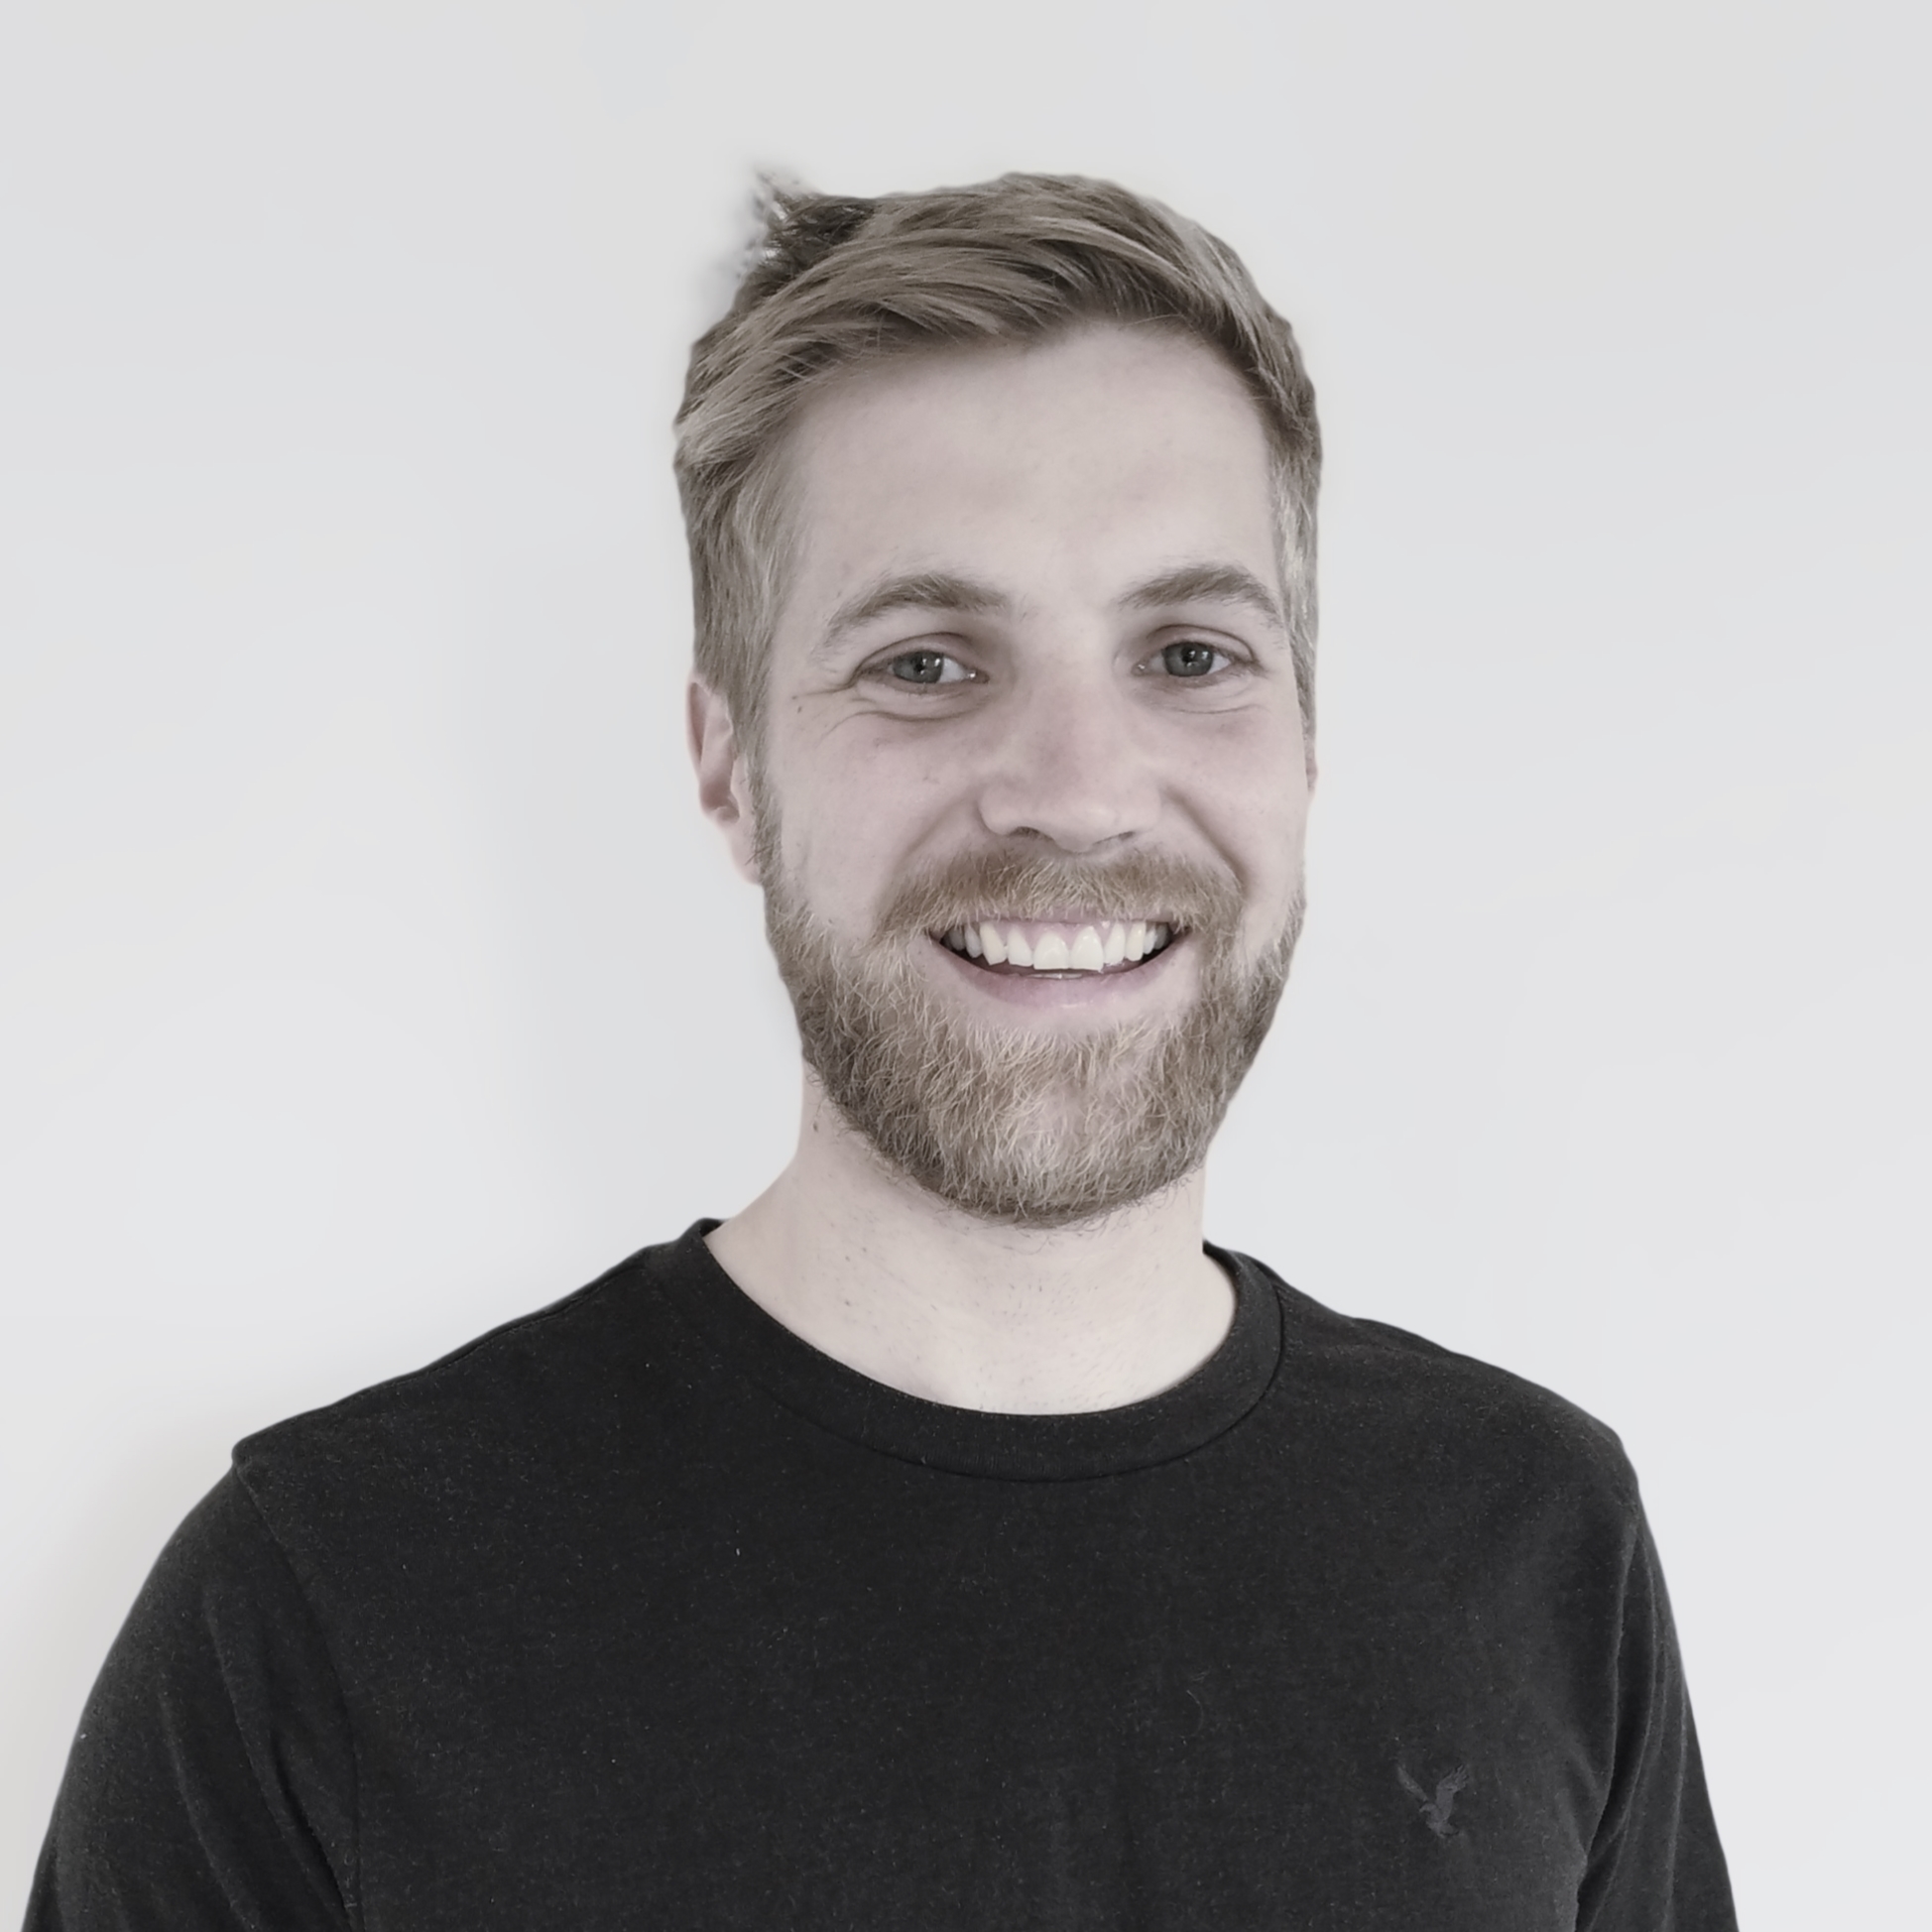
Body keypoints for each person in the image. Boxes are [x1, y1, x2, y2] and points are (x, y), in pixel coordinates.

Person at [25, 174, 1736, 1930]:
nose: (1077, 792)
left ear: (1306, 740)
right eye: (925, 663)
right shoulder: (322, 1612)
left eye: (1189, 652)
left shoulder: (1533, 1542)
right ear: (729, 768)